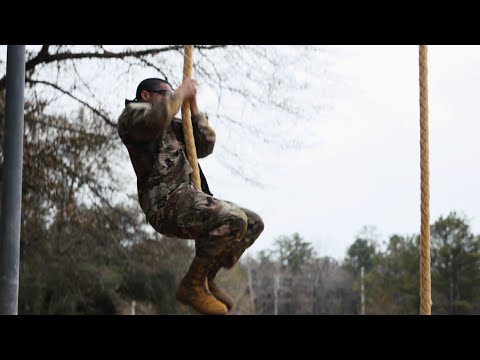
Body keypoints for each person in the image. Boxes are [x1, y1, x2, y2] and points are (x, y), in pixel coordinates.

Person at [117, 77, 264, 315]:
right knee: (233, 219)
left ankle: (206, 277)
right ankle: (191, 285)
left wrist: (193, 107)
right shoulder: (132, 118)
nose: (172, 96)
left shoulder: (174, 125)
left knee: (252, 224)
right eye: (165, 93)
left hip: (188, 197)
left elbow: (205, 146)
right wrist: (181, 92)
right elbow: (154, 121)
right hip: (166, 204)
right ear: (146, 95)